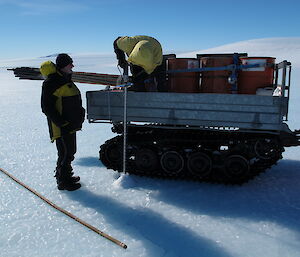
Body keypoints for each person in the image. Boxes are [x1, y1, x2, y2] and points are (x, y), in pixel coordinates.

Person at [40, 54, 85, 191]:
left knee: (70, 152)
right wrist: (62, 123)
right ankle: (63, 181)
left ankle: (66, 175)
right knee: (65, 153)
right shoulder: (51, 83)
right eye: (69, 64)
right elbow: (46, 107)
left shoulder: (64, 80)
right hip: (62, 126)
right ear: (62, 66)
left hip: (70, 124)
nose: (72, 66)